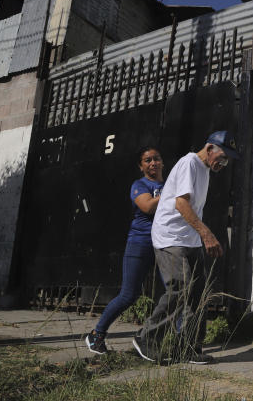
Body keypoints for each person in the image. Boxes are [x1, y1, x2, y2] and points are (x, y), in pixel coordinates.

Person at [132, 131, 239, 365]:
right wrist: (207, 234)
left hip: (189, 240)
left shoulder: (205, 170)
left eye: (228, 159)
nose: (224, 162)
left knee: (198, 294)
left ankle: (189, 347)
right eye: (222, 156)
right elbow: (181, 204)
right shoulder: (190, 162)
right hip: (170, 237)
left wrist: (199, 237)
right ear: (210, 148)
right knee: (181, 287)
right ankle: (147, 337)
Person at [85, 146, 164, 354]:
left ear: (162, 162)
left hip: (165, 243)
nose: (153, 163)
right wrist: (173, 194)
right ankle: (96, 335)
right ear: (141, 166)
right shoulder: (139, 185)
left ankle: (173, 338)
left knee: (174, 291)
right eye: (147, 160)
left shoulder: (168, 185)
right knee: (129, 294)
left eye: (156, 159)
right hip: (140, 242)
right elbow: (147, 207)